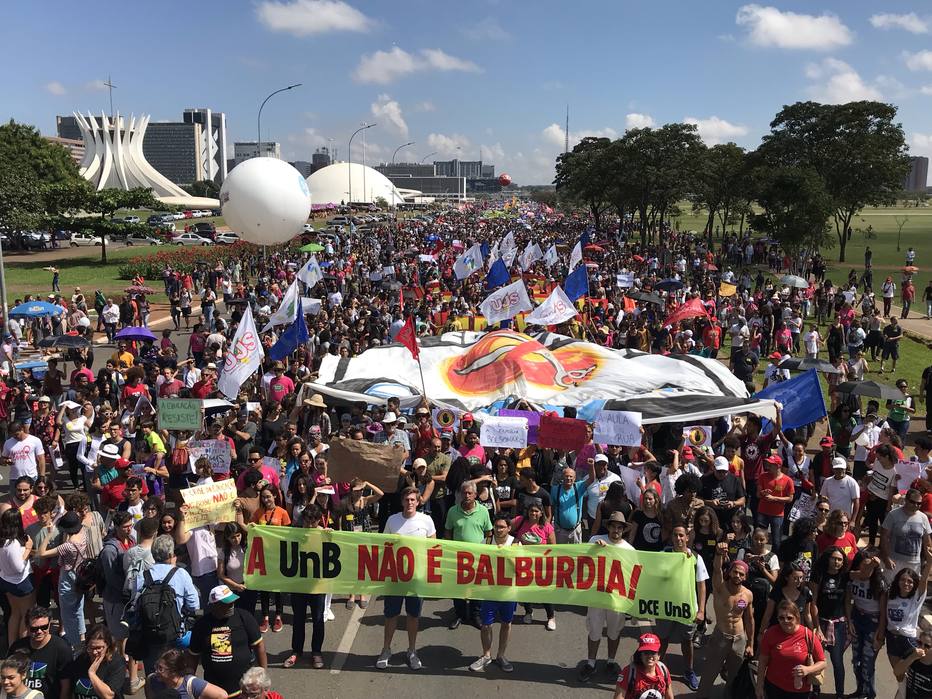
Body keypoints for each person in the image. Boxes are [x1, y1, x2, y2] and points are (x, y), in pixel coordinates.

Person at [376, 487, 435, 671]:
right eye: (407, 499)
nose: (410, 502)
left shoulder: (426, 520)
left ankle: (411, 651)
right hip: (395, 577)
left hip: (416, 578)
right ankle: (386, 650)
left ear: (418, 502)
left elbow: (434, 546)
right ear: (402, 501)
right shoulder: (392, 520)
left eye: (413, 500)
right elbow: (382, 545)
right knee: (391, 615)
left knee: (413, 615)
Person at [578, 511, 634, 682]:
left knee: (614, 632)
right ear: (608, 527)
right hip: (596, 596)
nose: (616, 530)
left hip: (616, 599)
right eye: (613, 526)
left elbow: (633, 575)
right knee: (594, 630)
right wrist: (594, 550)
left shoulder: (629, 550)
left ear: (623, 530)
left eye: (619, 527)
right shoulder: (595, 541)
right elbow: (581, 561)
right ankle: (591, 663)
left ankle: (610, 661)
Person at [132, 535, 199, 673]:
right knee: (175, 674)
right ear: (170, 554)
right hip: (174, 633)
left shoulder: (142, 575)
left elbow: (135, 603)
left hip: (149, 634)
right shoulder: (181, 573)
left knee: (153, 675)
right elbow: (194, 605)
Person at [697, 543, 754, 697]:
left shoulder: (748, 594)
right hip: (720, 637)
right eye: (735, 572)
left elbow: (749, 619)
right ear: (730, 572)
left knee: (733, 676)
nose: (738, 576)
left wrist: (750, 643)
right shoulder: (720, 588)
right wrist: (718, 553)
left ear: (745, 577)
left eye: (742, 574)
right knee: (710, 672)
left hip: (739, 639)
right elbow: (716, 570)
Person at [188, 585, 266, 695]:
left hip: (244, 691)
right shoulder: (202, 625)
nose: (231, 606)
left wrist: (262, 677)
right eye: (227, 603)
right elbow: (193, 655)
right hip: (214, 691)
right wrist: (190, 681)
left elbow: (259, 646)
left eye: (232, 602)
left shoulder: (244, 617)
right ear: (214, 605)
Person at [656, 525, 707, 691]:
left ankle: (689, 671)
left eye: (681, 535)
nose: (678, 538)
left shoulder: (695, 558)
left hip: (686, 608)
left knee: (687, 641)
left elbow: (701, 586)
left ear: (687, 537)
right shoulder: (663, 555)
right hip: (666, 607)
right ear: (671, 537)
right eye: (675, 535)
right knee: (662, 640)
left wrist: (701, 610)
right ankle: (655, 670)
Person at [468, 514, 517, 673]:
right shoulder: (486, 541)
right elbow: (477, 564)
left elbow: (520, 569)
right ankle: (486, 655)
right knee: (486, 625)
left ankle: (501, 655)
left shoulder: (516, 543)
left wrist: (507, 555)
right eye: (496, 526)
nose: (498, 529)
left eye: (502, 527)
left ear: (509, 528)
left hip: (508, 591)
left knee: (506, 623)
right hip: (489, 591)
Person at [282, 504, 328, 670]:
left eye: (314, 521)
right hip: (299, 585)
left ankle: (316, 652)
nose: (310, 524)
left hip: (317, 586)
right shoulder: (294, 533)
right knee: (298, 619)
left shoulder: (324, 534)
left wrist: (329, 536)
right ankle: (296, 651)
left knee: (317, 620)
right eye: (308, 520)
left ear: (318, 520)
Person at [445, 482, 492, 630]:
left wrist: (487, 550)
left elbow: (488, 533)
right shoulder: (453, 511)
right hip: (458, 558)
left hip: (478, 558)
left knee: (476, 587)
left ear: (475, 495)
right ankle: (459, 614)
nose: (466, 496)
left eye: (469, 493)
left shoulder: (483, 511)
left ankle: (475, 615)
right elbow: (448, 532)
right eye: (464, 493)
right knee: (458, 588)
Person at [756, 599, 827, 698]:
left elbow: (823, 662)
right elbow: (763, 660)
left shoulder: (808, 635)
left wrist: (808, 669)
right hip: (774, 687)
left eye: (789, 618)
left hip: (799, 690)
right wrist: (759, 686)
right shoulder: (771, 633)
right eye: (781, 618)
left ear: (797, 617)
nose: (785, 621)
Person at [876, 559, 932, 674]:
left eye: (910, 581)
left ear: (914, 584)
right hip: (891, 639)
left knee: (909, 673)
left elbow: (924, 580)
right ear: (898, 581)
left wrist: (930, 562)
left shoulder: (916, 599)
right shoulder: (891, 596)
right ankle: (902, 692)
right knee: (898, 674)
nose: (906, 583)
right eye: (902, 580)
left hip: (908, 640)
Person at [810, 547, 850, 696]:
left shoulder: (845, 577)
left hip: (838, 624)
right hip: (821, 621)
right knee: (817, 659)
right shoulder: (819, 575)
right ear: (828, 559)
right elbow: (813, 603)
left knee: (837, 661)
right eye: (834, 558)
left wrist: (849, 622)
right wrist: (817, 627)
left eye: (840, 559)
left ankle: (840, 693)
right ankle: (815, 690)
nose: (837, 562)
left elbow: (847, 602)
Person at [8, 607, 71, 699]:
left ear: (49, 624)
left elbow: (66, 686)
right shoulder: (17, 647)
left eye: (44, 627)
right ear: (27, 626)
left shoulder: (61, 649)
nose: (39, 632)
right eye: (34, 629)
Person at [881, 487, 932, 584]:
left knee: (909, 591)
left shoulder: (923, 518)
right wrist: (886, 558)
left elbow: (927, 541)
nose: (916, 505)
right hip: (894, 561)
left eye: (919, 503)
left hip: (914, 563)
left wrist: (928, 560)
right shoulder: (893, 515)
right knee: (888, 588)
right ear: (906, 500)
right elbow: (884, 537)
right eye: (913, 502)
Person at [0, 509, 35, 642]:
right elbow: (19, 568)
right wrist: (28, 548)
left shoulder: (2, 541)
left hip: (6, 580)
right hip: (21, 583)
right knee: (26, 615)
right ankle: (22, 648)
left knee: (15, 614)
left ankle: (12, 646)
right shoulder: (12, 544)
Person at [66, 624, 126, 699]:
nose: (94, 652)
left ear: (108, 645)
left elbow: (108, 695)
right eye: (91, 648)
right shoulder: (80, 661)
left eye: (98, 648)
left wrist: (92, 673)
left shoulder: (116, 662)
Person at [144, 649, 227, 699]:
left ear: (173, 671)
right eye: (156, 666)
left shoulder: (191, 684)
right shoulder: (152, 680)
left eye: (160, 669)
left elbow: (222, 695)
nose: (156, 671)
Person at [614, 633, 673, 699]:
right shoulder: (629, 672)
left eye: (653, 653)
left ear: (659, 655)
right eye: (646, 653)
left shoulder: (663, 670)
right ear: (640, 655)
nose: (650, 656)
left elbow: (669, 696)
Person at [893, 629, 932, 699]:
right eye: (919, 643)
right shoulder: (912, 653)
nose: (922, 647)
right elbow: (897, 672)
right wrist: (912, 657)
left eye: (927, 646)